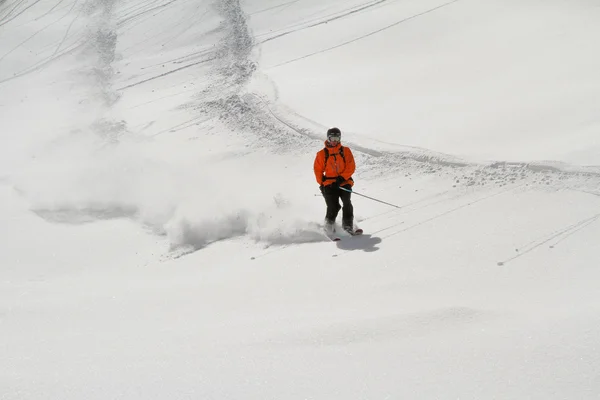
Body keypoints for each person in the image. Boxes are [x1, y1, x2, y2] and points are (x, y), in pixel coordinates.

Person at [313, 127, 356, 233]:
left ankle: (347, 225)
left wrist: (341, 178)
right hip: (329, 184)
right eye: (332, 138)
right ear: (328, 138)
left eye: (337, 138)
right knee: (333, 206)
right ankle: (328, 226)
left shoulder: (345, 151)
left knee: (347, 202)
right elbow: (317, 170)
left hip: (344, 181)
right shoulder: (322, 154)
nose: (334, 141)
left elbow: (351, 166)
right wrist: (322, 184)